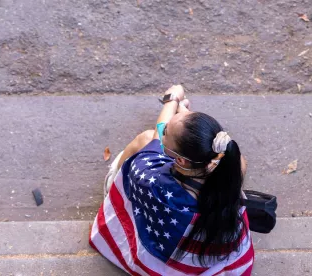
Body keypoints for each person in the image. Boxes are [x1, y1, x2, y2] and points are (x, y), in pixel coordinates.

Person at [90, 85, 253, 275]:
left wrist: (172, 100)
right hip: (212, 256)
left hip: (166, 257)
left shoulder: (151, 179)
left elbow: (155, 138)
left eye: (167, 131)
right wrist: (187, 118)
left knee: (145, 139)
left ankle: (111, 181)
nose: (163, 131)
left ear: (181, 160)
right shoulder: (233, 169)